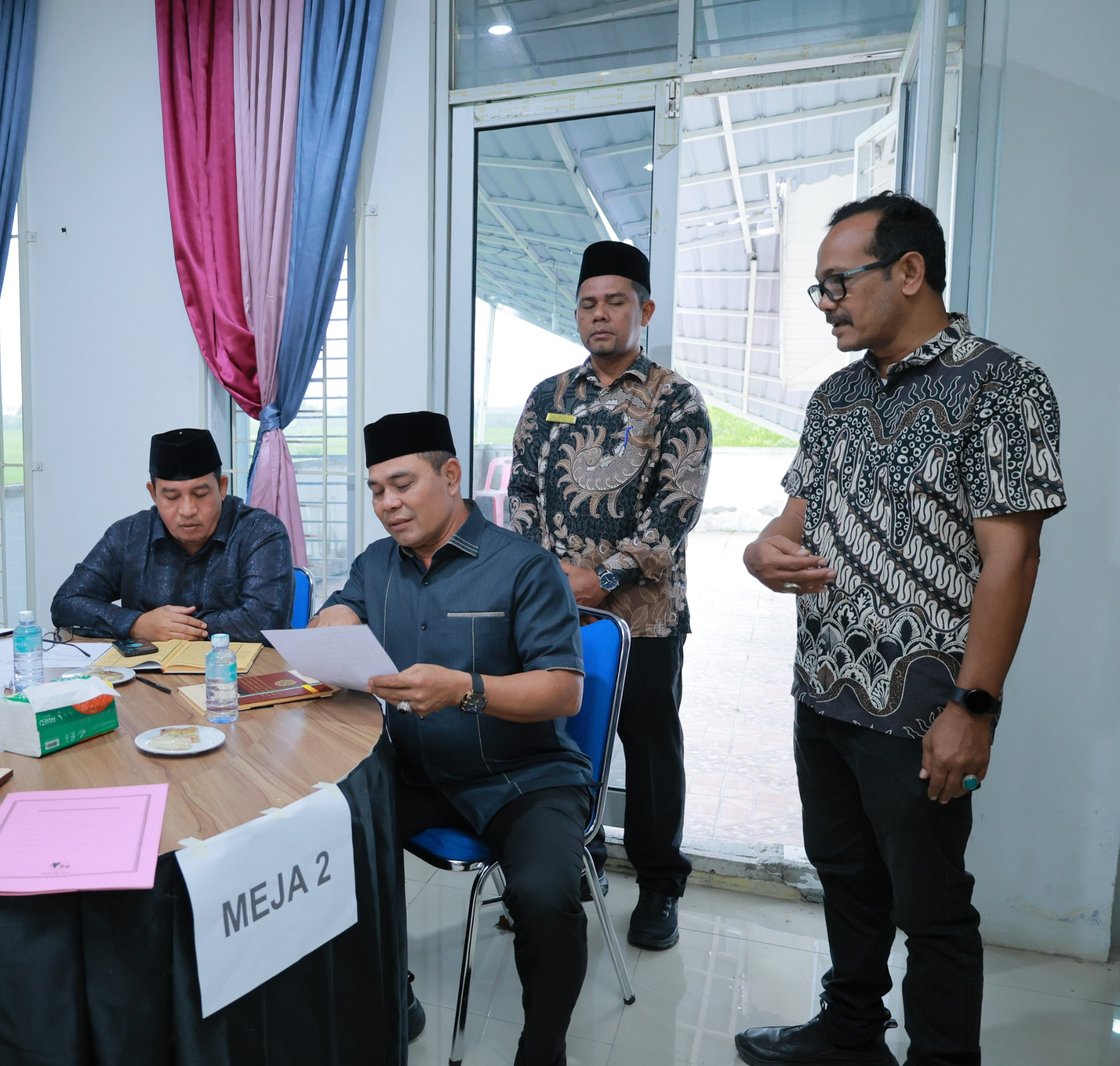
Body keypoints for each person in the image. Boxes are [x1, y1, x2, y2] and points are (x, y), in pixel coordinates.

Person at [733, 192, 1065, 1066]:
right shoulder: (836, 397)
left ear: (909, 271)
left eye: (837, 282)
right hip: (824, 695)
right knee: (845, 878)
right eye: (819, 288)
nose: (826, 303)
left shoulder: (1002, 385)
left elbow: (1012, 561)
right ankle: (850, 1031)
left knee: (932, 907)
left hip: (925, 712)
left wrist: (974, 708)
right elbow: (790, 524)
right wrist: (761, 554)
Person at [312, 411, 590, 1066]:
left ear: (452, 475)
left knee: (546, 895)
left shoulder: (524, 568)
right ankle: (393, 991)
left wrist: (464, 688)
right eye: (376, 490)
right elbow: (343, 606)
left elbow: (563, 690)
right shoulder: (377, 564)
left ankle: (542, 1048)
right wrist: (333, 618)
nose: (387, 503)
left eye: (402, 484)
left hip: (523, 777)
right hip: (413, 771)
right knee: (325, 840)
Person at [507, 240, 711, 950]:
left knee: (649, 754)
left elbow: (677, 507)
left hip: (643, 619)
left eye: (615, 302)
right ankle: (570, 862)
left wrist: (607, 575)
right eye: (588, 304)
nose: (600, 314)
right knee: (559, 743)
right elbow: (521, 491)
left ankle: (659, 885)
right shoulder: (548, 398)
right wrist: (542, 573)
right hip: (557, 617)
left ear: (644, 311)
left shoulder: (675, 399)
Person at [50, 428, 292, 645]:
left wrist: (171, 627)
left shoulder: (260, 532)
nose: (187, 510)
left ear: (222, 487)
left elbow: (265, 621)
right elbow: (66, 603)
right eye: (172, 497)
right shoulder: (128, 535)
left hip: (239, 673)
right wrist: (137, 624)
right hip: (148, 675)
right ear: (153, 493)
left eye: (200, 494)